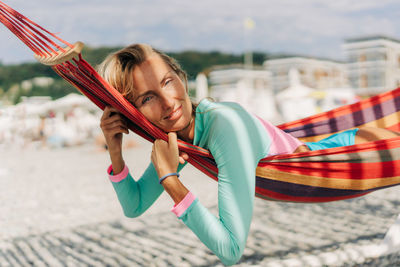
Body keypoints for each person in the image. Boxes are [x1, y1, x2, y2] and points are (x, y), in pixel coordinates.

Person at [98, 44, 400, 265]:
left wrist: (170, 180)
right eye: (147, 97)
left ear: (181, 77)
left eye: (167, 81)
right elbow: (134, 206)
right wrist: (115, 149)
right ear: (133, 113)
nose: (168, 102)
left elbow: (230, 250)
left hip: (347, 153)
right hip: (330, 153)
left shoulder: (223, 125)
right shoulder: (177, 139)